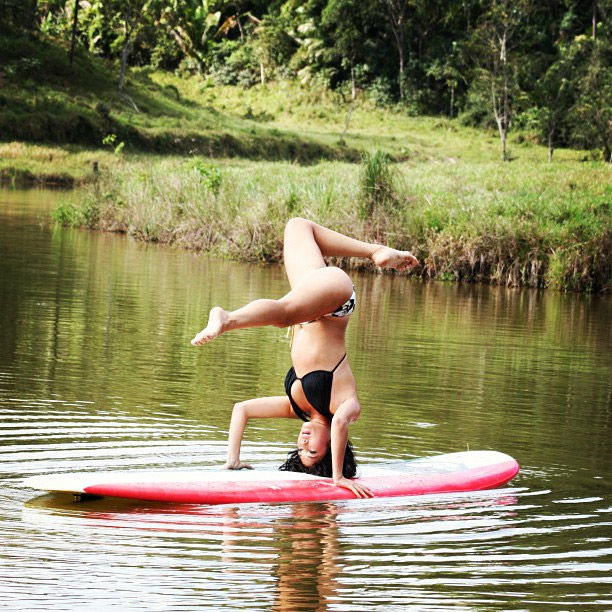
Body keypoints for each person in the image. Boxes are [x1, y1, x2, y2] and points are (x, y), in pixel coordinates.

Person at [191, 218, 418, 498]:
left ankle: (376, 251)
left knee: (297, 226)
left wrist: (232, 460)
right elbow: (339, 425)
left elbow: (242, 409)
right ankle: (226, 319)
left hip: (311, 303)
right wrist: (338, 478)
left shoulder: (297, 406)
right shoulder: (346, 406)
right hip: (335, 302)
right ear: (333, 449)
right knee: (284, 315)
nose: (303, 441)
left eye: (301, 449)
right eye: (312, 450)